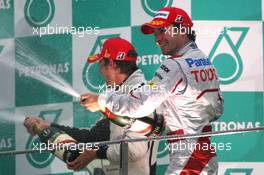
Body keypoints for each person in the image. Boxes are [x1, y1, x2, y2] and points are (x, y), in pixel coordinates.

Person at [80, 7, 224, 175]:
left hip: (188, 160)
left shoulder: (175, 65)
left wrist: (101, 100)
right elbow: (217, 110)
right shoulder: (203, 60)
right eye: (155, 34)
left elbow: (139, 105)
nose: (157, 39)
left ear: (183, 30)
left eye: (162, 31)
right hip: (205, 156)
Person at [24, 37, 160, 175]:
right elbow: (93, 137)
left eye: (100, 64)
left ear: (111, 64)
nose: (100, 71)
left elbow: (134, 150)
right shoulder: (120, 95)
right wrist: (49, 127)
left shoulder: (140, 97)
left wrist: (95, 153)